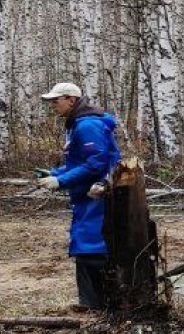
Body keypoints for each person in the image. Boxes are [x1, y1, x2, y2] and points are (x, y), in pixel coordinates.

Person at [35, 82, 122, 309]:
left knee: (91, 248)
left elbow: (96, 164)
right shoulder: (78, 124)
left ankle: (99, 305)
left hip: (98, 195)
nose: (53, 105)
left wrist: (61, 180)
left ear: (71, 100)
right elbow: (82, 163)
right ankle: (92, 304)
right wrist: (55, 173)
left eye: (56, 100)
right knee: (86, 246)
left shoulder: (87, 126)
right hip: (88, 196)